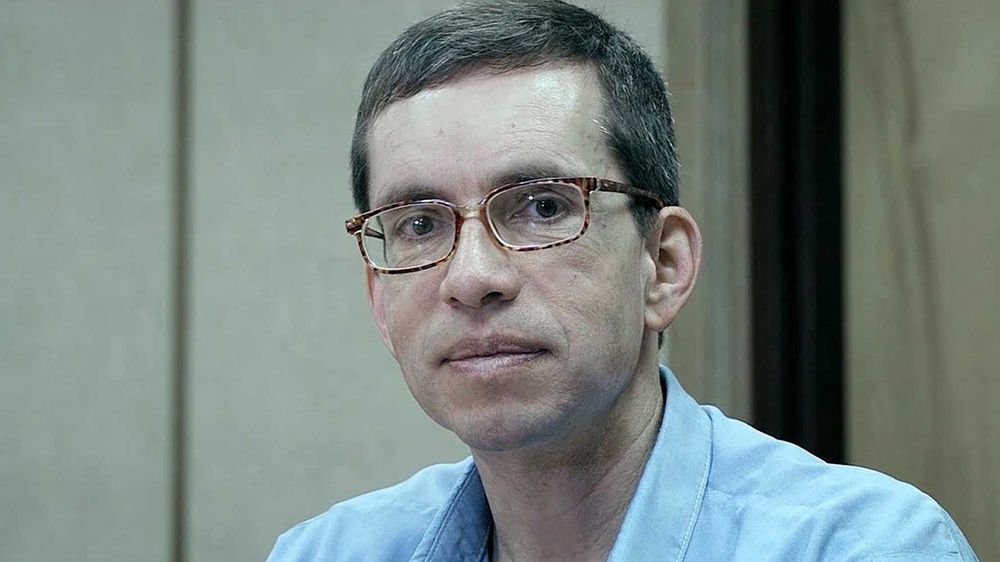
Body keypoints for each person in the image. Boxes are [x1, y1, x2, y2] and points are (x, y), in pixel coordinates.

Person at [268, 1, 978, 560]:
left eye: (543, 207)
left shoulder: (860, 547)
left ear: (663, 265)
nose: (473, 277)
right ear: (379, 298)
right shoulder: (325, 553)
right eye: (420, 224)